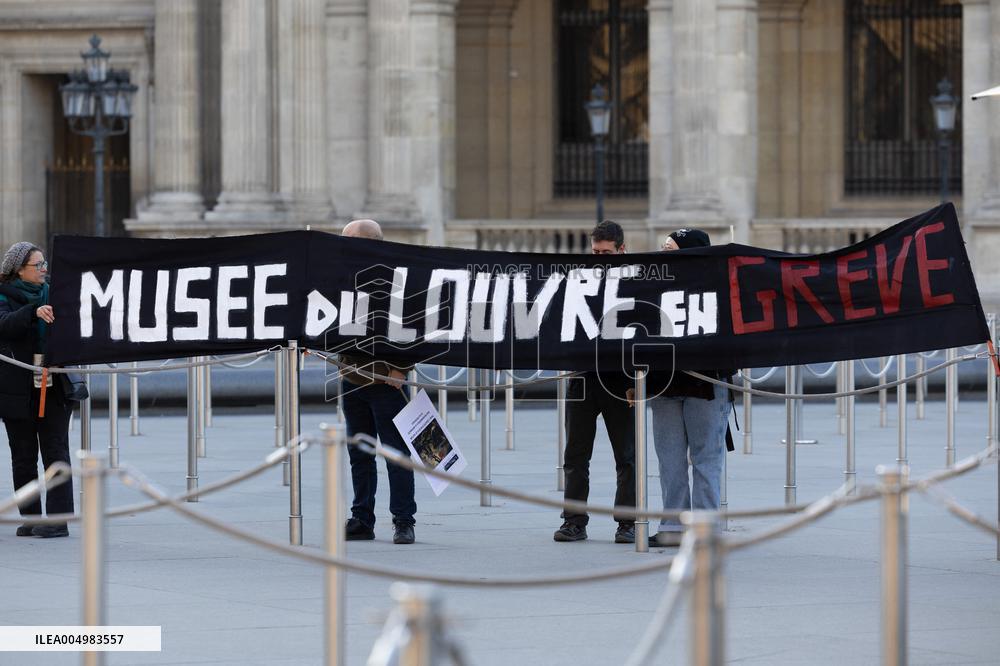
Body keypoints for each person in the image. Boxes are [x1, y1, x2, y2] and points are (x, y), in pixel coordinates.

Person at [646, 228, 734, 547]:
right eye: (664, 247)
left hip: (706, 383)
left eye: (671, 248)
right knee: (668, 459)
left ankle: (705, 528)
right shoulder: (653, 286)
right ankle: (673, 526)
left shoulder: (718, 288)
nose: (663, 253)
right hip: (663, 382)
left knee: (706, 457)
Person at [553, 220, 636, 544]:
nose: (599, 257)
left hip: (621, 379)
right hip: (583, 376)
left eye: (606, 252)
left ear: (621, 250)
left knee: (626, 456)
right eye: (595, 252)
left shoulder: (633, 283)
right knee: (575, 455)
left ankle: (627, 523)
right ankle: (574, 521)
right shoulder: (578, 281)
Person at [338, 219, 417, 545]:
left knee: (396, 454)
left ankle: (403, 520)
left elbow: (417, 324)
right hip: (352, 377)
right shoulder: (342, 276)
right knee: (360, 453)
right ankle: (362, 518)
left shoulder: (399, 278)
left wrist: (403, 368)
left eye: (348, 241)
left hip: (387, 380)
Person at [0, 242, 73, 538]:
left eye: (44, 264)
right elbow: (3, 325)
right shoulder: (4, 295)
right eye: (37, 265)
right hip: (17, 388)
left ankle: (58, 520)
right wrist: (33, 312)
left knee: (56, 452)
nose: (44, 270)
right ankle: (31, 517)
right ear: (19, 270)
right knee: (23, 454)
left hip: (53, 385)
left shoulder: (56, 292)